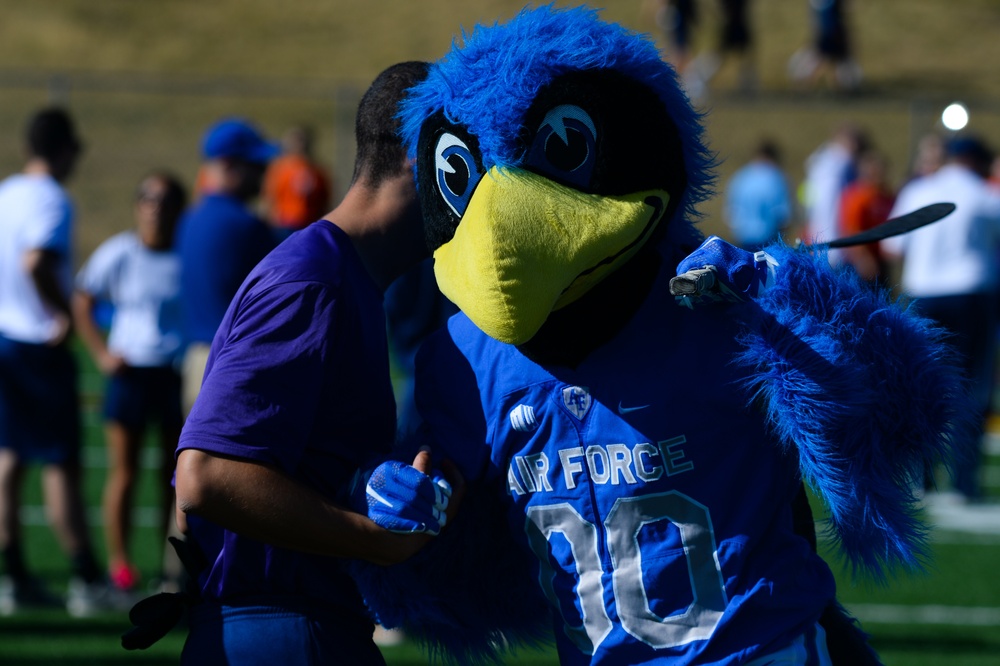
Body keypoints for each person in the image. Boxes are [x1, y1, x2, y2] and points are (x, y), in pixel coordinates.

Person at [349, 7, 967, 665]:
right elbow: (452, 511)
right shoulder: (463, 358)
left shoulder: (714, 308)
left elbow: (906, 414)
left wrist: (797, 297)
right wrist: (405, 501)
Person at [172, 61, 458, 665]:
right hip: (283, 633)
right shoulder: (314, 279)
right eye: (467, 164)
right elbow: (207, 476)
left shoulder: (346, 279)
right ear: (418, 153)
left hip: (301, 625)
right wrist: (372, 540)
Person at [0, 107, 113, 617]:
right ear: (64, 149)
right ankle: (87, 578)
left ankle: (13, 574)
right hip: (36, 342)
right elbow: (36, 260)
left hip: (3, 335)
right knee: (60, 464)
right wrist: (59, 311)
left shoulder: (6, 193)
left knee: (8, 459)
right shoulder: (52, 199)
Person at [72, 172, 188, 596]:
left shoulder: (186, 256)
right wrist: (101, 354)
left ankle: (168, 565)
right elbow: (83, 298)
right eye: (146, 198)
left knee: (170, 478)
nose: (154, 206)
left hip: (173, 374)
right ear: (137, 205)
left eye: (164, 199)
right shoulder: (119, 252)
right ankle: (120, 564)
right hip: (129, 374)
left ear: (179, 209)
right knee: (125, 472)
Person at [882, 135, 1000, 503]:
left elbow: (891, 245)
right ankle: (965, 482)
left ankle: (923, 475)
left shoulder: (918, 191)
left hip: (922, 293)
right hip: (971, 292)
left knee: (923, 384)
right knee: (970, 387)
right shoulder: (985, 194)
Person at [176, 117, 280, 416]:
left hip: (195, 361)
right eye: (256, 166)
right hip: (232, 365)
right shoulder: (246, 226)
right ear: (230, 166)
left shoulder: (189, 220)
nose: (263, 175)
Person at [801, 122, 868, 250]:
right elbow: (829, 205)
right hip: (832, 241)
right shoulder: (840, 164)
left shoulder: (821, 163)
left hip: (816, 236)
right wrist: (833, 242)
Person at [723, 138, 793, 250]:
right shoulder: (777, 178)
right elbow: (783, 216)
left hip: (742, 238)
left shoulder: (740, 177)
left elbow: (731, 213)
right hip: (769, 239)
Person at [263, 124, 333, 235]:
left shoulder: (317, 172)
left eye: (301, 141)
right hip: (284, 225)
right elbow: (270, 198)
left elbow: (325, 201)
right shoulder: (279, 169)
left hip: (310, 225)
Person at [837, 149, 895, 284]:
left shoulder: (886, 195)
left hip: (881, 259)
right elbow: (852, 230)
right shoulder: (856, 195)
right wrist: (863, 258)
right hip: (862, 261)